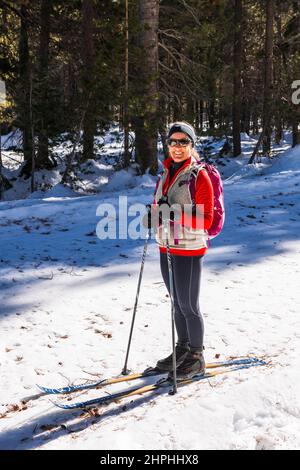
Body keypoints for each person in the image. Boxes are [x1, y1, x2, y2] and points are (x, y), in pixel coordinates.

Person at [147, 121, 214, 380]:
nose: (177, 147)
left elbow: (206, 219)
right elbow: (160, 206)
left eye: (183, 142)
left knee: (189, 305)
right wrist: (152, 216)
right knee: (176, 303)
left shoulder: (199, 175)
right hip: (166, 246)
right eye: (173, 141)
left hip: (188, 248)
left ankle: (196, 357)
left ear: (191, 145)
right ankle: (183, 350)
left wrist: (172, 212)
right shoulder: (165, 173)